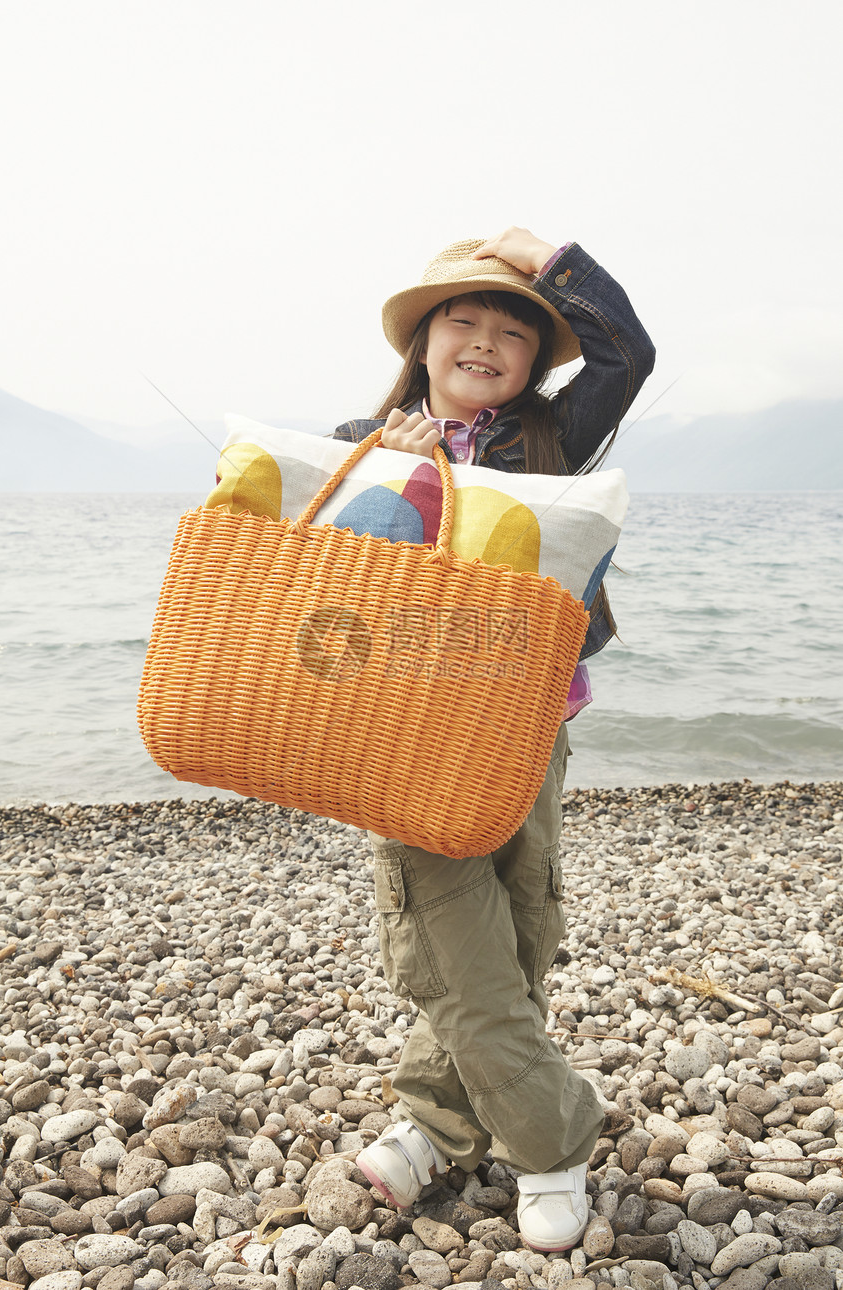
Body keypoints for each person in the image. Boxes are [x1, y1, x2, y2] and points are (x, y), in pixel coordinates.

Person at [332, 227, 655, 1252]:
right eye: (459, 322)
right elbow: (314, 589)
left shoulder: (553, 436)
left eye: (510, 332)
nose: (482, 342)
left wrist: (546, 256)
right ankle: (552, 1136)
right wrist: (382, 472)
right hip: (403, 724)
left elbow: (625, 354)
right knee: (441, 917)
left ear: (531, 363)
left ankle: (436, 1125)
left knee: (520, 918)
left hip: (529, 715)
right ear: (421, 343)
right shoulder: (359, 434)